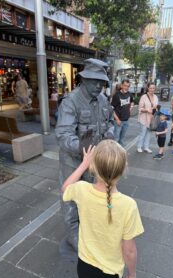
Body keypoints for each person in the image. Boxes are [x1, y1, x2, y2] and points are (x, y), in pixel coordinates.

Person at [62, 140, 144, 278]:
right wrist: (132, 273)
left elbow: (65, 187)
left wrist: (84, 164)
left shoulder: (81, 189)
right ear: (123, 168)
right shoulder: (128, 205)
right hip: (111, 271)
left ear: (93, 167)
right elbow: (130, 251)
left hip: (85, 263)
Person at [55, 58, 114, 254]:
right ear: (84, 79)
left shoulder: (103, 100)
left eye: (102, 82)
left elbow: (108, 124)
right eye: (95, 81)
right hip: (73, 160)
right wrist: (84, 149)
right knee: (70, 198)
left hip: (95, 161)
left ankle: (89, 229)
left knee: (92, 197)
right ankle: (74, 235)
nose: (99, 86)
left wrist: (110, 138)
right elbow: (63, 135)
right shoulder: (71, 101)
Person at [137, 82, 159, 153]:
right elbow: (140, 108)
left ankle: (146, 147)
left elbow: (157, 107)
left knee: (149, 133)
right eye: (150, 88)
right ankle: (139, 147)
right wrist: (147, 110)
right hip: (143, 118)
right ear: (148, 88)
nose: (152, 89)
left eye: (153, 88)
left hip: (151, 118)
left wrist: (156, 109)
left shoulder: (156, 97)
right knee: (142, 133)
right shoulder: (144, 97)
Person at [111, 79, 134, 146]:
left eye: (128, 86)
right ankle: (114, 154)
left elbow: (132, 101)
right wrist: (117, 119)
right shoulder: (116, 95)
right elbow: (112, 109)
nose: (126, 87)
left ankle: (120, 154)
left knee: (122, 139)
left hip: (126, 120)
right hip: (118, 121)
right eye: (125, 86)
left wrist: (131, 108)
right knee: (116, 139)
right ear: (121, 85)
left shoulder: (129, 94)